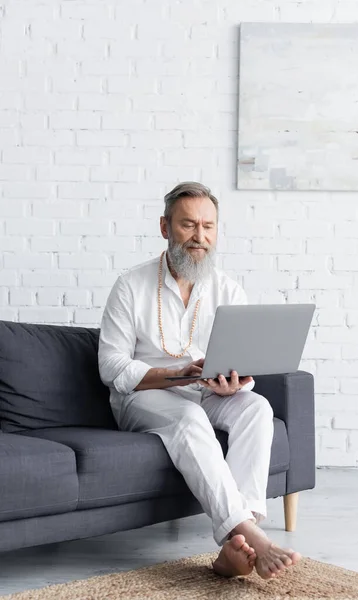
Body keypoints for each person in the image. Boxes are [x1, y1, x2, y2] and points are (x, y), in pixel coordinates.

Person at [98, 181, 301, 579]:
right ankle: (250, 535)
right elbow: (112, 369)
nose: (200, 237)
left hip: (204, 392)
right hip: (146, 395)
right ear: (165, 227)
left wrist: (236, 383)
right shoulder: (130, 286)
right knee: (189, 420)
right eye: (188, 225)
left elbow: (243, 362)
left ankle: (236, 548)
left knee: (256, 407)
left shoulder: (227, 288)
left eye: (208, 226)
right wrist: (172, 376)